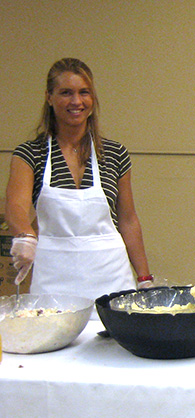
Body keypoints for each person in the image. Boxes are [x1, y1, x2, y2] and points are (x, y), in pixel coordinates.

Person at [5, 58, 154, 304]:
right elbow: (16, 206)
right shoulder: (30, 154)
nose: (76, 101)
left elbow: (128, 219)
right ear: (49, 97)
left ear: (92, 98)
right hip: (53, 280)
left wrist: (145, 278)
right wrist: (25, 236)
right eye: (66, 93)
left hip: (111, 278)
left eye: (84, 92)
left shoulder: (115, 154)